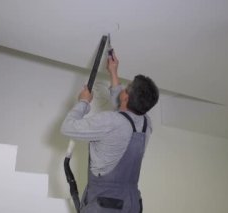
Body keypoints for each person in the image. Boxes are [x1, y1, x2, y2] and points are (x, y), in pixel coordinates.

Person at [61, 51, 159, 213]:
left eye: (126, 88)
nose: (124, 89)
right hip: (131, 204)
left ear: (126, 97)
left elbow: (68, 127)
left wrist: (83, 101)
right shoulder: (146, 123)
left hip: (106, 204)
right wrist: (113, 71)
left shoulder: (110, 121)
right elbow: (124, 109)